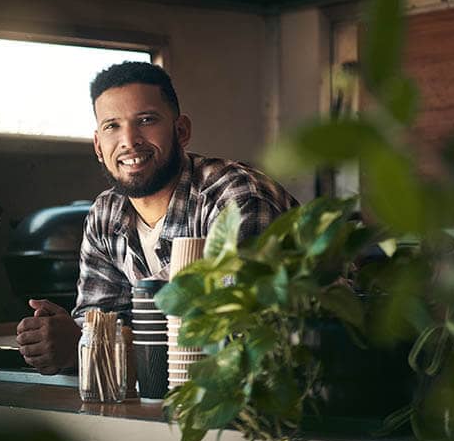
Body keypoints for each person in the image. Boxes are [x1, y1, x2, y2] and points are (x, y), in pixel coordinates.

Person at [16, 61, 298, 375]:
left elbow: (235, 334)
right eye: (112, 126)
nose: (129, 140)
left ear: (181, 131)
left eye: (146, 120)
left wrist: (88, 346)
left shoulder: (235, 195)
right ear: (98, 145)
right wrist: (66, 340)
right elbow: (100, 321)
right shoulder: (105, 214)